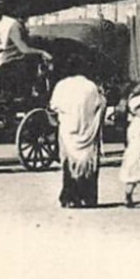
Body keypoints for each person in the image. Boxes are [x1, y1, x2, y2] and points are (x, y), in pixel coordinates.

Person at [49, 71, 106, 208]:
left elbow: (54, 107)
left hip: (69, 131)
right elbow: (100, 105)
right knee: (88, 164)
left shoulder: (62, 85)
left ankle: (69, 197)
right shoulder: (91, 87)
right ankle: (88, 198)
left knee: (69, 164)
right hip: (88, 130)